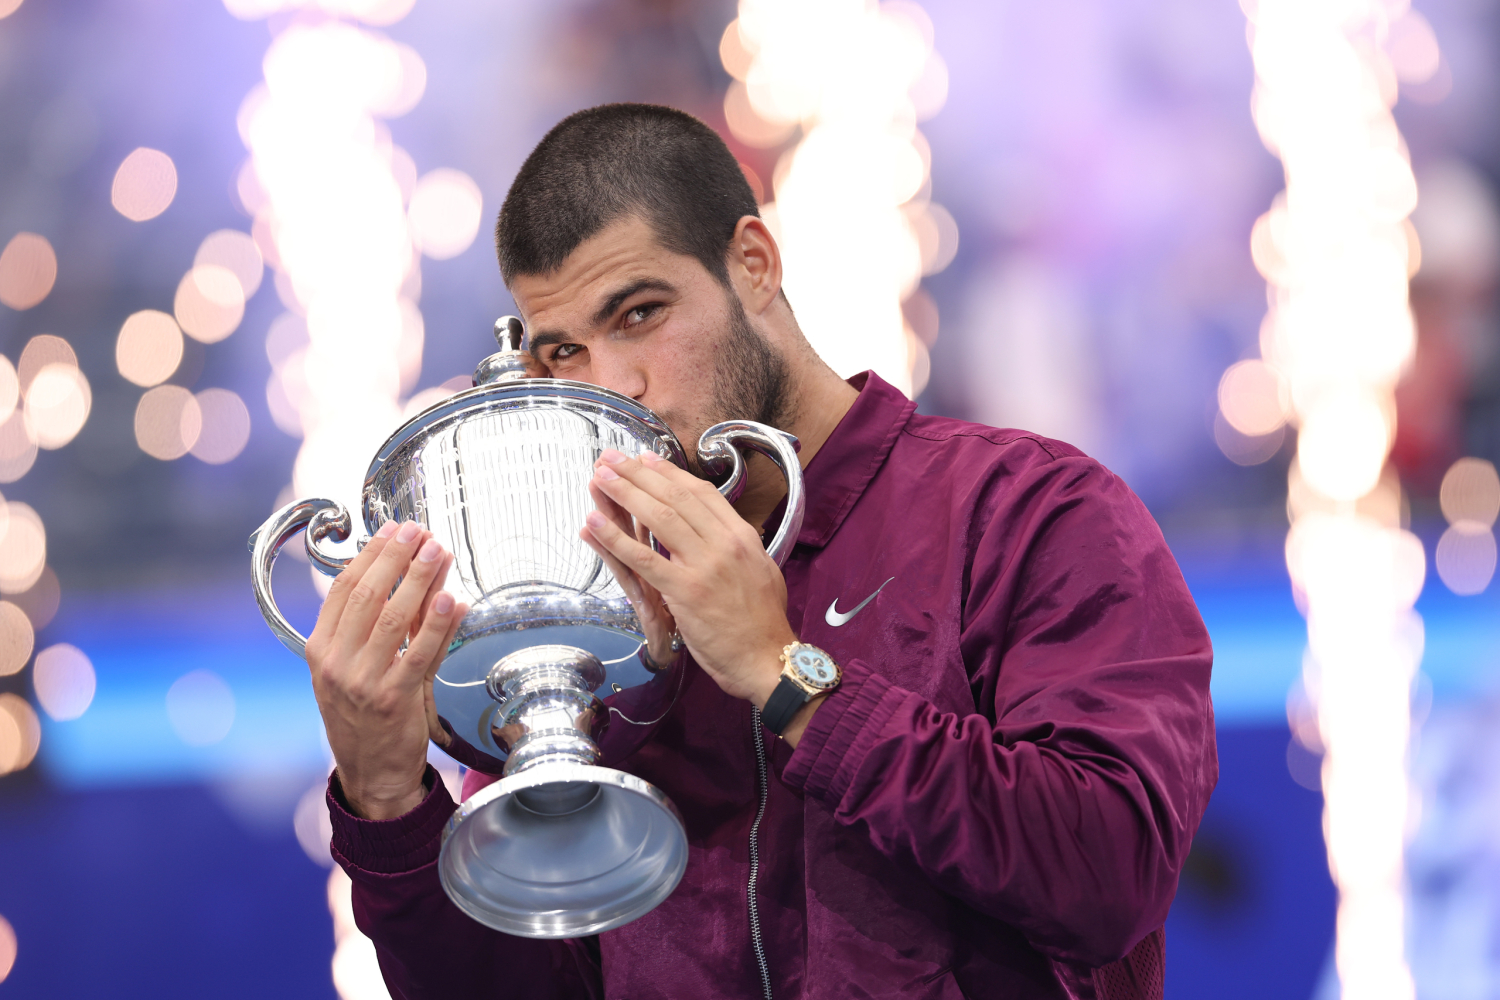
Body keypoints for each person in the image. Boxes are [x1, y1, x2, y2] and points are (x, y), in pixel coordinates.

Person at [305, 103, 1216, 1000]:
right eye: (565, 351)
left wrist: (787, 677)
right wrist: (389, 806)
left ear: (753, 265)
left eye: (640, 314)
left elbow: (1112, 875)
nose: (613, 384)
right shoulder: (586, 608)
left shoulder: (1028, 509)